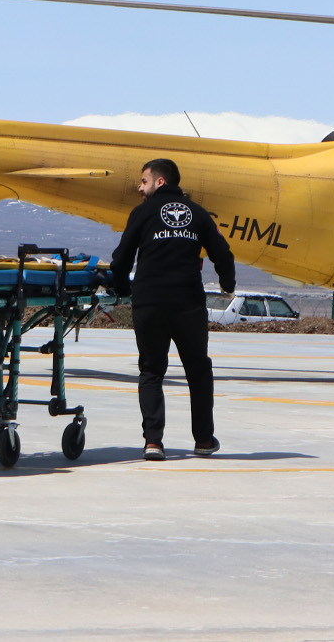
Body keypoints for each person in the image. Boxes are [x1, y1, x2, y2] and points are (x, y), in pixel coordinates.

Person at [108, 157, 235, 461]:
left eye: (143, 181)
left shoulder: (142, 213)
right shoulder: (199, 214)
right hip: (187, 304)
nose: (140, 188)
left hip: (149, 302)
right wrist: (226, 283)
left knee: (151, 370)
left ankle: (153, 442)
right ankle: (204, 440)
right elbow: (223, 253)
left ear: (159, 181)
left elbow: (121, 258)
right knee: (198, 371)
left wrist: (124, 289)